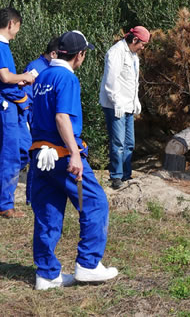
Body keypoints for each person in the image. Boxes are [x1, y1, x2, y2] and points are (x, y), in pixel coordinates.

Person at [30, 30, 118, 290]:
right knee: (94, 202)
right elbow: (62, 118)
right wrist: (76, 154)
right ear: (79, 55)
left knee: (48, 212)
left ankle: (46, 274)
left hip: (40, 156)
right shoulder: (66, 78)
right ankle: (88, 264)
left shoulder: (43, 75)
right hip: (62, 156)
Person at [0, 7, 35, 218]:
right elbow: (4, 76)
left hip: (10, 105)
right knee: (10, 154)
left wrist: (18, 79)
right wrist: (25, 77)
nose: (17, 31)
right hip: (3, 106)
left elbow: (6, 77)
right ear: (11, 24)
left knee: (24, 149)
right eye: (18, 27)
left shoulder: (1, 46)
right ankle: (4, 206)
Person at [99, 26, 150, 190]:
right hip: (116, 106)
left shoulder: (134, 56)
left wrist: (136, 100)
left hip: (128, 104)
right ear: (135, 40)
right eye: (142, 44)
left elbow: (133, 81)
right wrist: (116, 101)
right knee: (118, 142)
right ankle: (116, 176)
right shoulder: (116, 52)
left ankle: (127, 173)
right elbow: (110, 80)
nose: (143, 47)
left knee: (129, 142)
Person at [23, 37, 59, 205]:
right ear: (52, 53)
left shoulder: (52, 69)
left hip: (47, 122)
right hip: (35, 121)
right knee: (34, 159)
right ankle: (31, 198)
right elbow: (26, 95)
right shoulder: (35, 68)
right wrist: (28, 119)